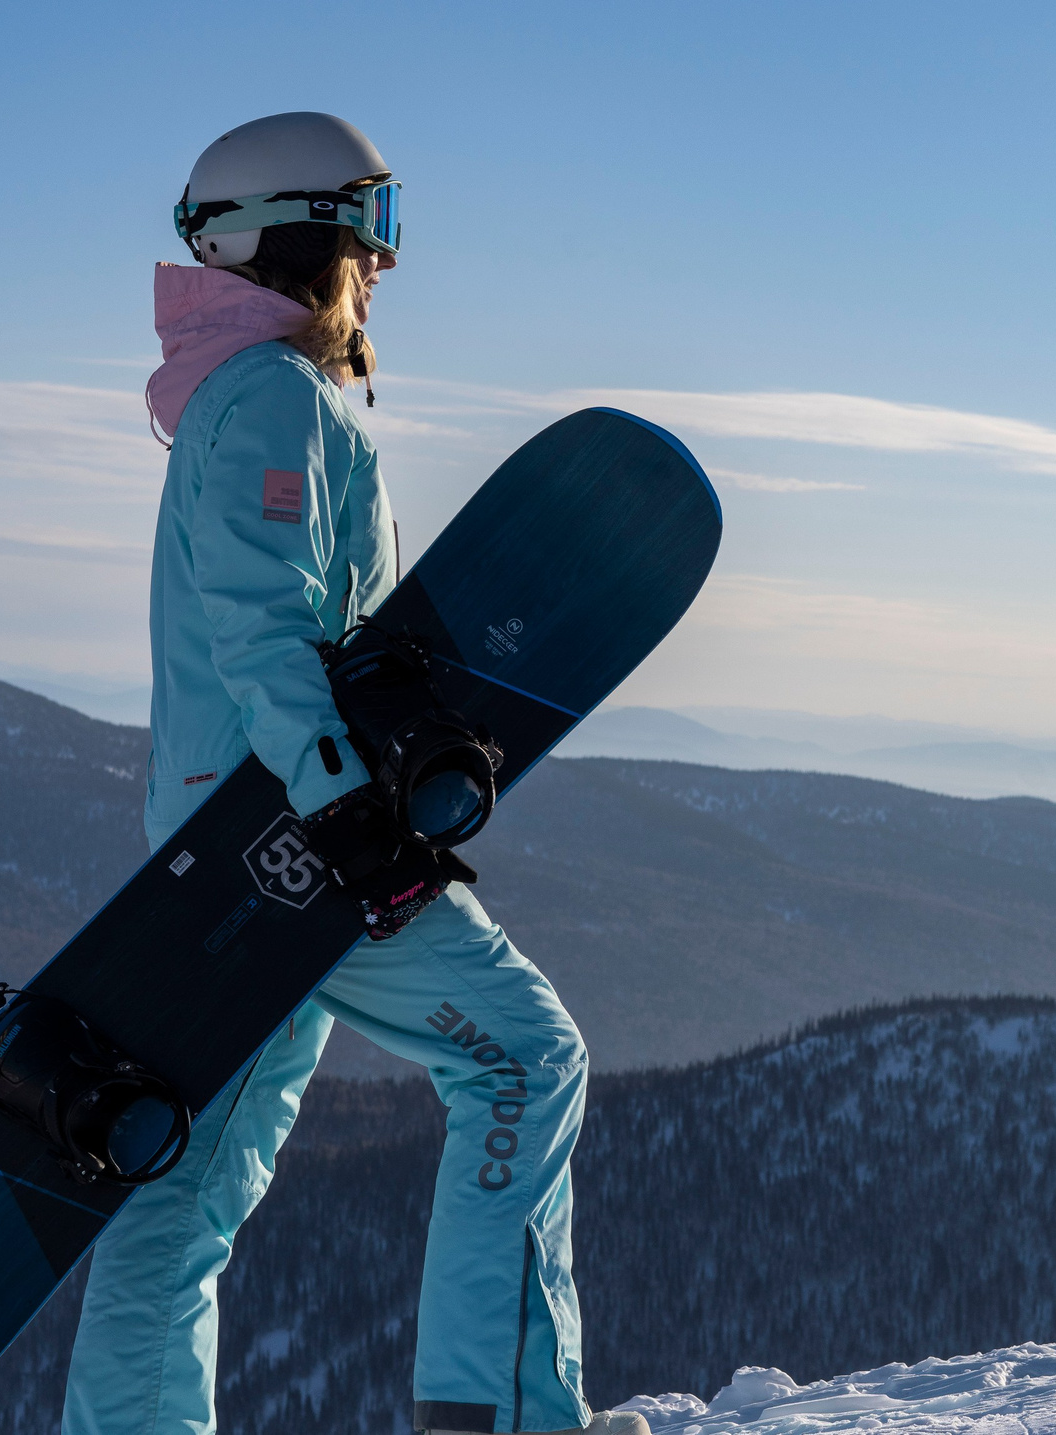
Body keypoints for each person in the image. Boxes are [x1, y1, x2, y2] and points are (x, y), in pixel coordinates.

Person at [62, 112, 635, 1435]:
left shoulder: (256, 398)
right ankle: (496, 1418)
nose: (387, 264)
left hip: (232, 854)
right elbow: (259, 627)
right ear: (302, 237)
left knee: (192, 1189)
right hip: (301, 843)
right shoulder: (270, 399)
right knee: (524, 1063)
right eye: (372, 227)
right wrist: (346, 813)